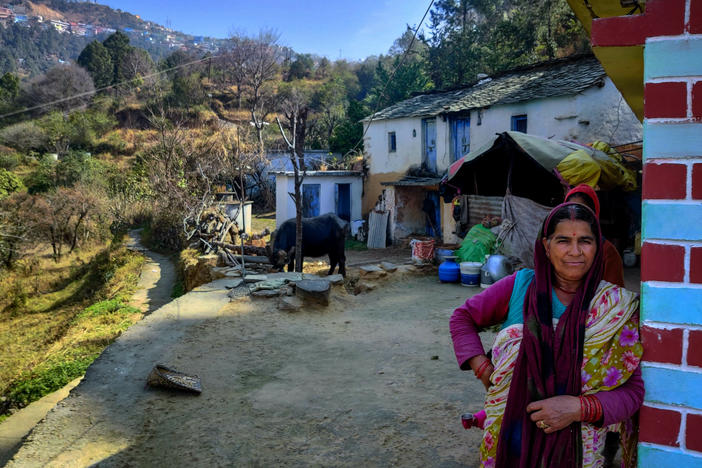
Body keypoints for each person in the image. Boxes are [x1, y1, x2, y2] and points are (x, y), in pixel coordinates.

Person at [450, 202, 643, 468]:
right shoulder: (520, 287)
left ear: (598, 247)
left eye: (585, 241)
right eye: (563, 240)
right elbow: (462, 318)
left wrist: (577, 408)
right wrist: (482, 368)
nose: (575, 252)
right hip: (511, 442)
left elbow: (632, 392)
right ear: (545, 246)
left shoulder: (615, 308)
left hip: (579, 451)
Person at [565, 184, 625, 288]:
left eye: (581, 211)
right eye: (569, 210)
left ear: (594, 214)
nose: (574, 217)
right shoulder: (557, 245)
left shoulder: (607, 252)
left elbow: (614, 296)